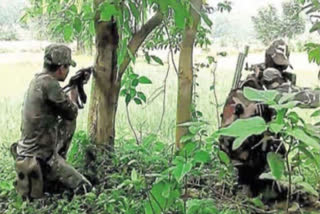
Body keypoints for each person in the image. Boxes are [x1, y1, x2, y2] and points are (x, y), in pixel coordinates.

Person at [219, 39, 320, 201]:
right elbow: (292, 96)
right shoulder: (269, 75)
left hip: (236, 151)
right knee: (275, 142)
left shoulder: (256, 78)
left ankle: (249, 187)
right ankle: (263, 189)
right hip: (249, 151)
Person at [11, 44, 92, 199]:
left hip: (29, 150)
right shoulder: (51, 84)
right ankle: (53, 169)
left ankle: (57, 166)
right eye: (67, 67)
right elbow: (71, 112)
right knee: (85, 188)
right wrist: (74, 93)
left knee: (68, 123)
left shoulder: (38, 81)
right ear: (61, 68)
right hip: (41, 156)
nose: (67, 72)